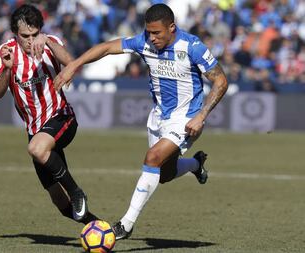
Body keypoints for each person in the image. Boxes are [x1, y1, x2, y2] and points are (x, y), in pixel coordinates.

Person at [54, 3, 228, 239]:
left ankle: (125, 225)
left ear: (172, 27)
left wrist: (202, 116)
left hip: (187, 118)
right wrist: (74, 64)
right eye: (149, 32)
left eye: (157, 33)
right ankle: (196, 165)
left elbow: (220, 81)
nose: (152, 38)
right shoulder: (143, 41)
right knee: (164, 174)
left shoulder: (192, 46)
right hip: (158, 117)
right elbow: (107, 48)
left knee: (152, 158)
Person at [0, 4, 97, 225]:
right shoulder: (7, 52)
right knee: (59, 202)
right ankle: (98, 226)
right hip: (35, 129)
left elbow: (71, 62)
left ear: (40, 29)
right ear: (15, 34)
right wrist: (9, 68)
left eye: (34, 34)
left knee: (36, 149)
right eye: (25, 36)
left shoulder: (51, 43)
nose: (30, 41)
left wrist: (47, 39)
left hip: (61, 118)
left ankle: (77, 193)